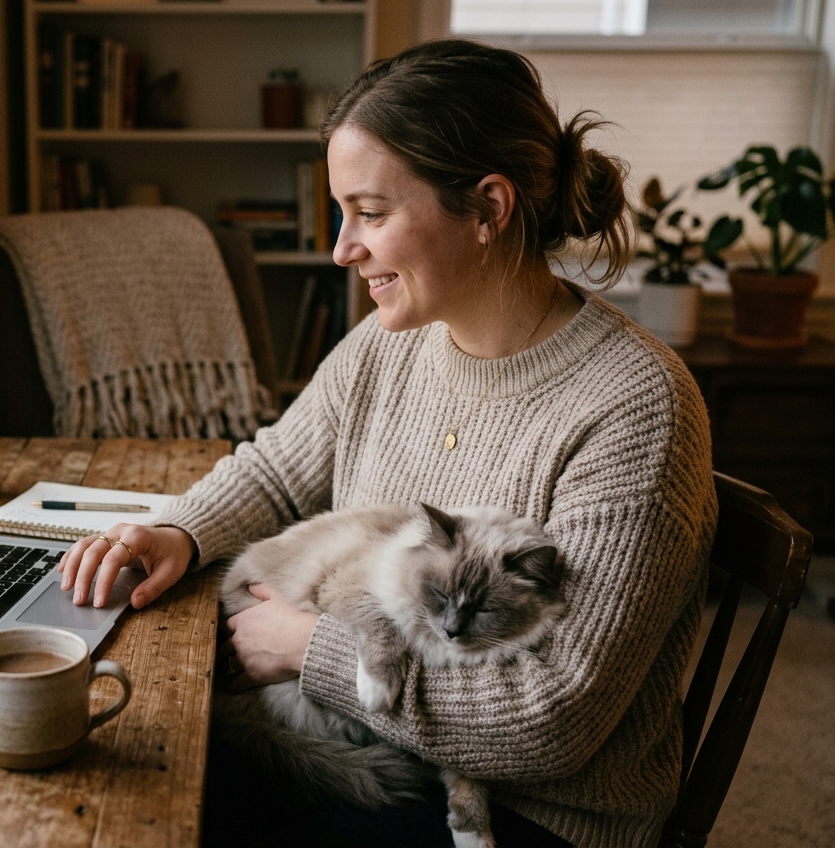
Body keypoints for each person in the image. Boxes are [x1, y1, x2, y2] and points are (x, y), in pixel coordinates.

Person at [58, 39, 715, 847]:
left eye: (371, 213)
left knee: (146, 806)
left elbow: (553, 720)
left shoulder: (634, 406)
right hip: (373, 741)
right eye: (342, 213)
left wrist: (312, 653)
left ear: (489, 209)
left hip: (522, 817)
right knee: (118, 766)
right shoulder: (392, 343)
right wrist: (179, 532)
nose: (343, 247)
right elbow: (276, 469)